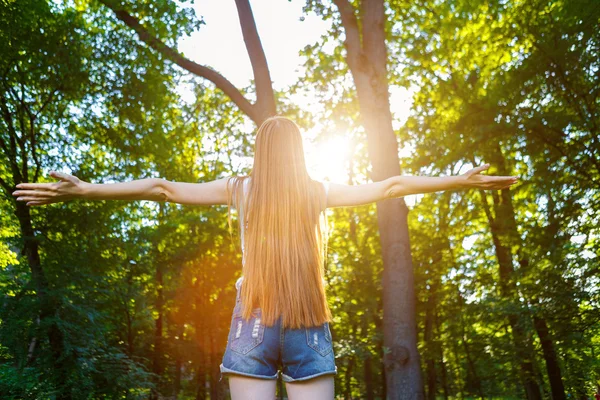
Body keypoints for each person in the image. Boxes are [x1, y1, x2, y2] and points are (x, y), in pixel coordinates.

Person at [12, 116, 518, 399]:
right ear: (298, 153)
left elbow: (161, 188)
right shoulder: (317, 191)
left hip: (252, 322)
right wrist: (456, 179)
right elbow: (391, 184)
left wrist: (88, 190)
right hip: (308, 321)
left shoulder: (240, 190)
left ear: (260, 151)